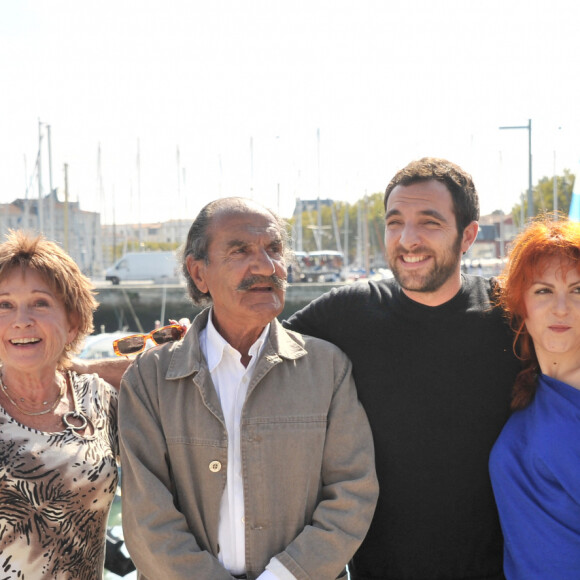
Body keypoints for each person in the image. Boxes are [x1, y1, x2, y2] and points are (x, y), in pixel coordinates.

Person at [285, 158, 522, 580]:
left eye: (429, 222)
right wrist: (136, 363)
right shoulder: (347, 312)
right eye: (395, 223)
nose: (407, 240)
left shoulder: (511, 316)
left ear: (468, 235)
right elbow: (244, 352)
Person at [118, 197, 378, 580]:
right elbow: (146, 517)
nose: (266, 266)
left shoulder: (328, 368)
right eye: (240, 250)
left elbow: (352, 493)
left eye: (273, 249)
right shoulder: (149, 378)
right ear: (199, 273)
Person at [0, 231, 119, 579]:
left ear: (72, 323)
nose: (21, 319)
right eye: (4, 304)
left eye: (40, 302)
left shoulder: (98, 399)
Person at [489, 218, 580, 579]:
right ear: (520, 305)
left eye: (578, 290)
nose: (561, 307)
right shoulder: (530, 390)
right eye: (543, 290)